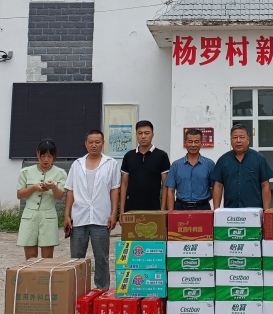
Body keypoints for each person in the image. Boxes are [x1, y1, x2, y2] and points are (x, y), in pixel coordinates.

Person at [64, 129, 121, 290]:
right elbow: (70, 190)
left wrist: (114, 213)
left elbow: (114, 190)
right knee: (76, 258)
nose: (94, 145)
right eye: (90, 142)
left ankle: (102, 289)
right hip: (79, 217)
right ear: (85, 144)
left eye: (97, 142)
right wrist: (67, 214)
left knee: (101, 258)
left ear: (103, 143)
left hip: (101, 217)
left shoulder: (111, 164)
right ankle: (76, 290)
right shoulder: (77, 164)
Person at [16, 139, 67, 260]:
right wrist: (33, 187)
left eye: (49, 156)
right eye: (43, 156)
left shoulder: (60, 173)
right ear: (37, 154)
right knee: (30, 257)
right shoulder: (26, 172)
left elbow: (60, 196)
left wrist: (53, 187)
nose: (46, 159)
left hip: (48, 215)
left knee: (47, 257)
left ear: (54, 156)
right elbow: (19, 195)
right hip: (29, 215)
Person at [211, 124, 273, 210]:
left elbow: (265, 186)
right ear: (230, 140)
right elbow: (218, 186)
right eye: (235, 137)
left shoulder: (259, 159)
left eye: (242, 137)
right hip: (230, 211)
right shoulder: (223, 160)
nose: (238, 141)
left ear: (248, 140)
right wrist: (216, 211)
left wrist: (266, 211)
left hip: (254, 210)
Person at [119, 120, 171, 211]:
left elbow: (165, 184)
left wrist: (163, 209)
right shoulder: (129, 156)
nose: (143, 136)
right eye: (140, 133)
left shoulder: (161, 155)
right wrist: (122, 211)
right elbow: (124, 184)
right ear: (136, 135)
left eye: (147, 133)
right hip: (131, 209)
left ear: (152, 135)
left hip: (154, 208)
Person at [165, 129, 215, 210]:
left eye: (196, 142)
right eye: (190, 141)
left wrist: (203, 200)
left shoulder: (210, 164)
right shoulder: (176, 165)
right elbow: (170, 190)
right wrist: (171, 212)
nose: (193, 145)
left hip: (202, 207)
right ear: (185, 143)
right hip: (180, 207)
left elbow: (215, 188)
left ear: (201, 143)